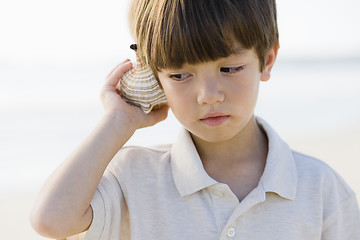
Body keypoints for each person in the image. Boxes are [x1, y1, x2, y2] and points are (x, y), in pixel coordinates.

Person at [30, 0, 360, 239]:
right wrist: (119, 120)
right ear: (154, 77)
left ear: (267, 59)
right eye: (180, 74)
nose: (208, 95)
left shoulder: (320, 188)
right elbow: (50, 220)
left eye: (229, 68)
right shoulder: (133, 176)